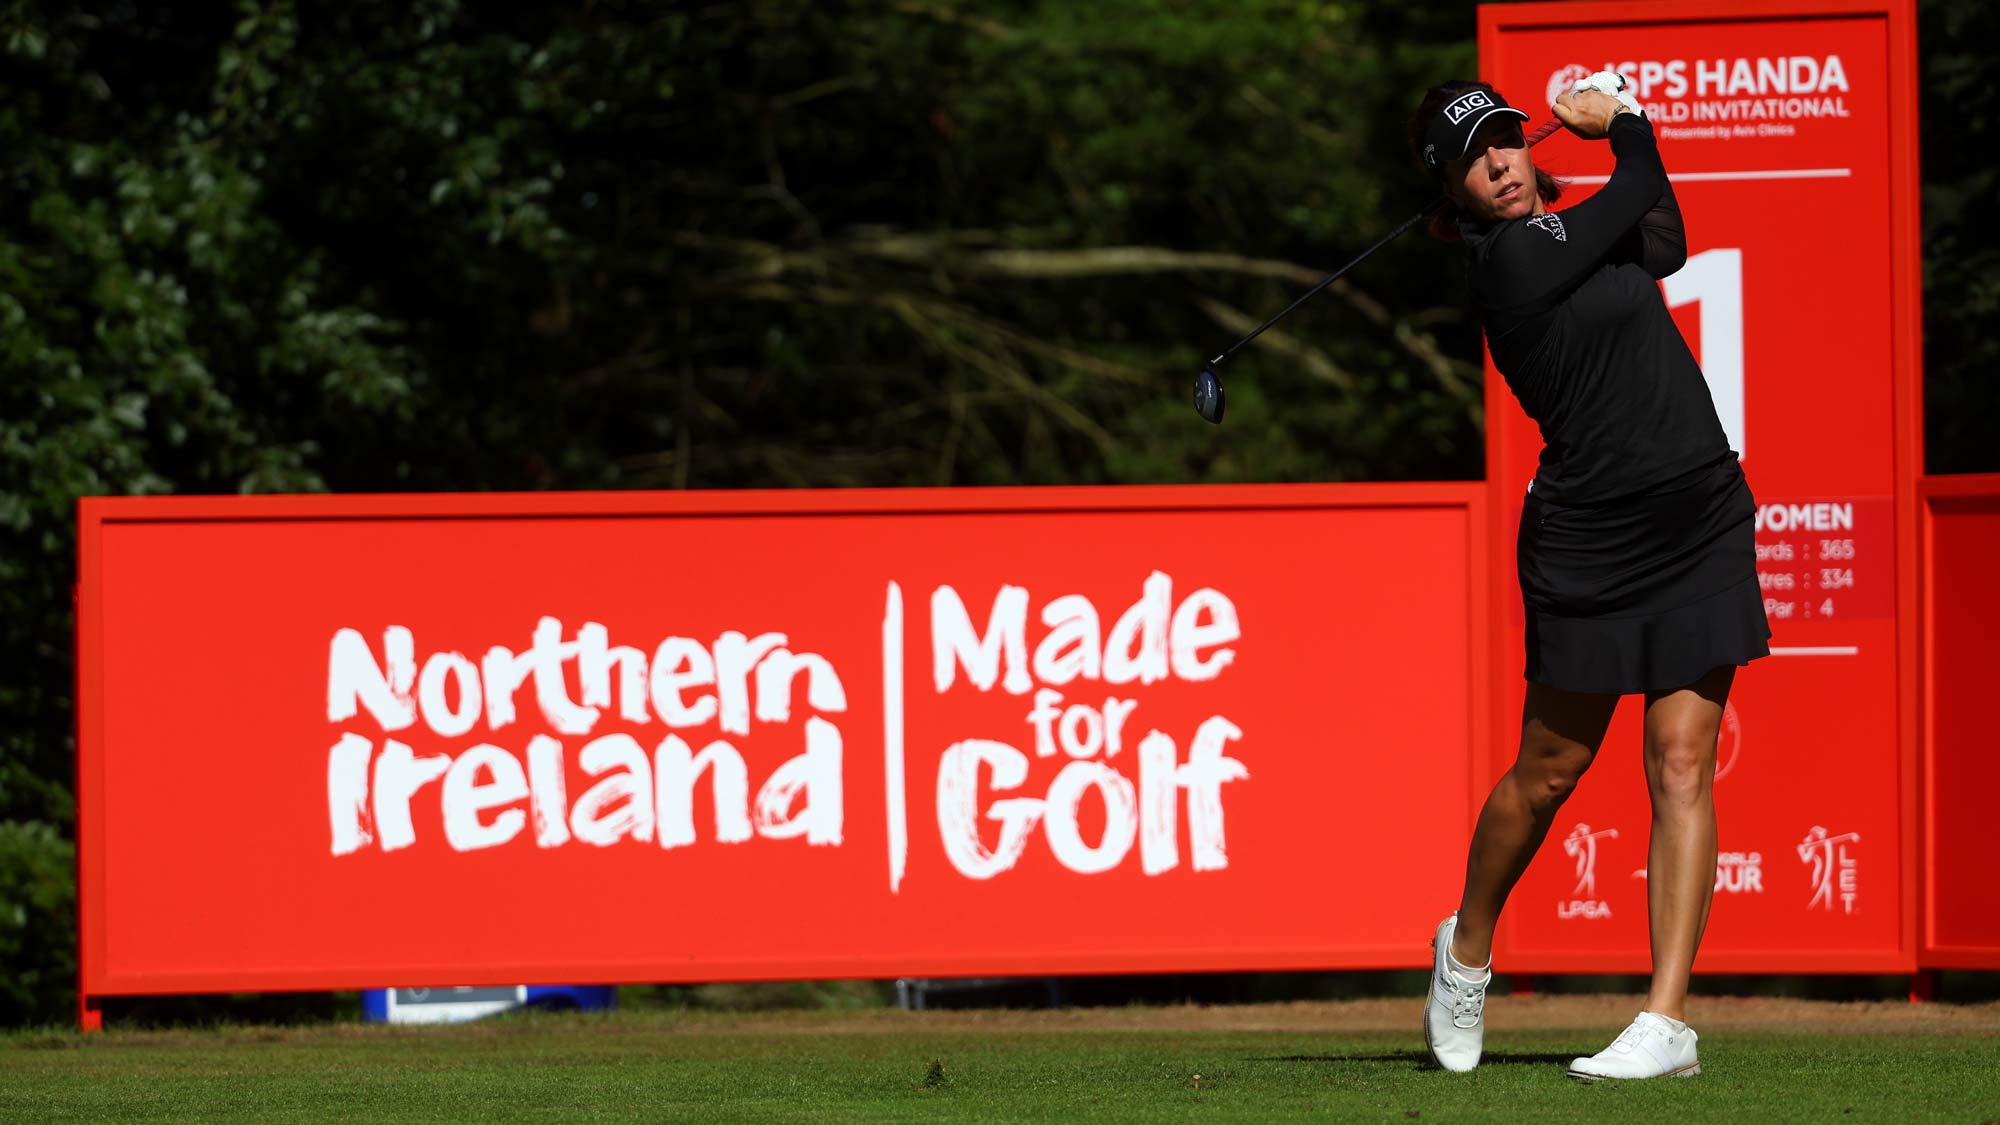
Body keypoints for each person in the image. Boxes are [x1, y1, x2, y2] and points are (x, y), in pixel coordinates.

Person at [1408, 78, 1772, 1081]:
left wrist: (1625, 149)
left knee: (1681, 763)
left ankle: (1666, 1022)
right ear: (1451, 191)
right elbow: (1639, 186)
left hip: (1696, 511)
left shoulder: (1583, 235)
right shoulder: (1511, 259)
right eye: (1473, 159)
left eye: (1506, 141)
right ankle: (1465, 949)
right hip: (1590, 540)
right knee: (1549, 772)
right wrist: (1625, 123)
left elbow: (1666, 241)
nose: (1499, 164)